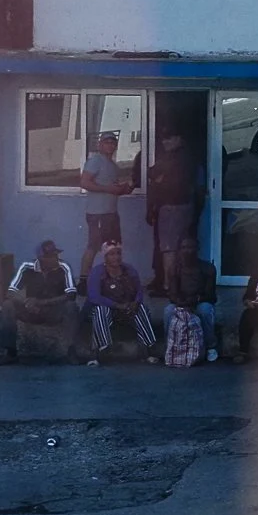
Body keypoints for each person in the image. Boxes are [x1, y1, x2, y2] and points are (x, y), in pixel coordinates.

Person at [0, 239, 80, 363]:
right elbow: (10, 292)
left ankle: (71, 351)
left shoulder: (64, 267)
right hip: (31, 310)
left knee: (71, 307)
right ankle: (10, 352)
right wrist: (27, 302)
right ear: (41, 258)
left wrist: (41, 302)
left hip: (53, 310)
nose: (55, 258)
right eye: (51, 256)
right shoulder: (27, 267)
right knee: (7, 305)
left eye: (56, 255)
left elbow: (71, 294)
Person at [84, 240, 157, 364]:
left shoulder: (129, 269)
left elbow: (139, 290)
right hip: (104, 310)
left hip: (125, 308)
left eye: (118, 254)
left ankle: (149, 348)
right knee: (101, 310)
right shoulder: (97, 272)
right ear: (105, 257)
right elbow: (94, 297)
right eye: (112, 254)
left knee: (141, 308)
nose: (116, 257)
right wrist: (116, 305)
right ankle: (103, 349)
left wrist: (136, 302)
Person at [146, 130, 200, 297]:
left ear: (179, 138)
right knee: (179, 248)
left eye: (169, 138)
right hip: (186, 207)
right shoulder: (189, 158)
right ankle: (177, 285)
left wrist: (159, 181)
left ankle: (168, 287)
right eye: (163, 139)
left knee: (169, 249)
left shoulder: (173, 158)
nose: (165, 142)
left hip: (171, 208)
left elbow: (152, 173)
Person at [78, 130, 134, 278]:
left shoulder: (113, 166)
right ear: (100, 145)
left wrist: (125, 188)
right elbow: (84, 182)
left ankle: (110, 279)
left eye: (113, 142)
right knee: (94, 246)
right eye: (107, 142)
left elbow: (113, 189)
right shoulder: (96, 161)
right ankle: (83, 280)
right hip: (97, 213)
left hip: (111, 213)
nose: (110, 145)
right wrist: (106, 188)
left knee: (112, 247)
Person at [164, 234, 220, 364]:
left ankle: (211, 346)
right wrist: (181, 303)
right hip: (181, 302)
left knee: (205, 310)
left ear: (197, 248)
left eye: (191, 247)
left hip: (200, 301)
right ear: (179, 250)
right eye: (183, 247)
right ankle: (170, 346)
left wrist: (193, 302)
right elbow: (172, 293)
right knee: (168, 311)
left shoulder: (208, 268)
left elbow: (210, 295)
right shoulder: (174, 268)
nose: (187, 251)